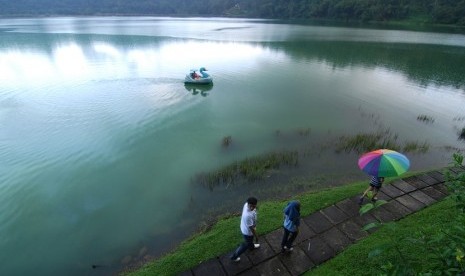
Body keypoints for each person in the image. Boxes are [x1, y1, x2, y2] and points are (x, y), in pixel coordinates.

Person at [230, 197, 260, 262]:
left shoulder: (246, 204)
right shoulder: (248, 216)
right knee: (245, 245)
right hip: (247, 232)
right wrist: (256, 236)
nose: (252, 208)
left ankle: (251, 246)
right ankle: (234, 257)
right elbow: (252, 229)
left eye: (254, 206)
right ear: (248, 204)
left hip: (246, 227)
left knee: (249, 242)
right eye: (251, 206)